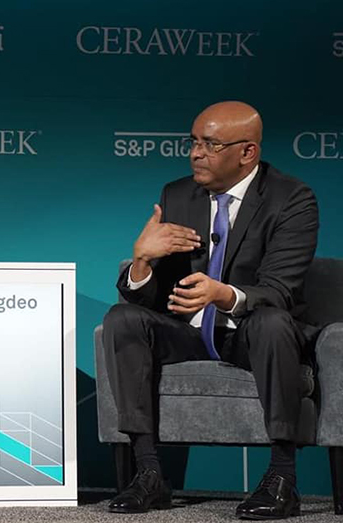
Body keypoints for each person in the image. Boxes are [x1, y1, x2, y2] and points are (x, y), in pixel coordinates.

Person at [102, 101, 319, 519]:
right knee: (121, 318)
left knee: (274, 322)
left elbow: (281, 290)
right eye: (194, 142)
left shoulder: (292, 199)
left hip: (250, 333)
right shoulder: (177, 194)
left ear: (247, 152)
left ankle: (282, 478)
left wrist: (223, 294)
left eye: (211, 144)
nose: (196, 153)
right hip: (188, 332)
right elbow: (148, 299)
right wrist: (142, 262)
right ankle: (148, 473)